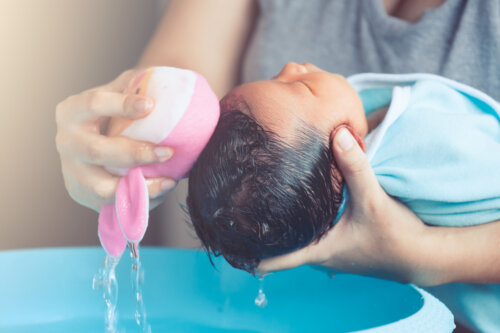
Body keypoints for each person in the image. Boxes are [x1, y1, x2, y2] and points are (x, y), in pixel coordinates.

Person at [55, 1, 500, 331]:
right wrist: (140, 122)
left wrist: (430, 256)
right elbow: (186, 66)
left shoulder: (429, 141)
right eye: (289, 85)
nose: (291, 65)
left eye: (298, 87)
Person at [186, 61, 500, 274]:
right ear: (347, 145)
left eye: (276, 79)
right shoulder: (425, 142)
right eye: (301, 87)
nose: (290, 66)